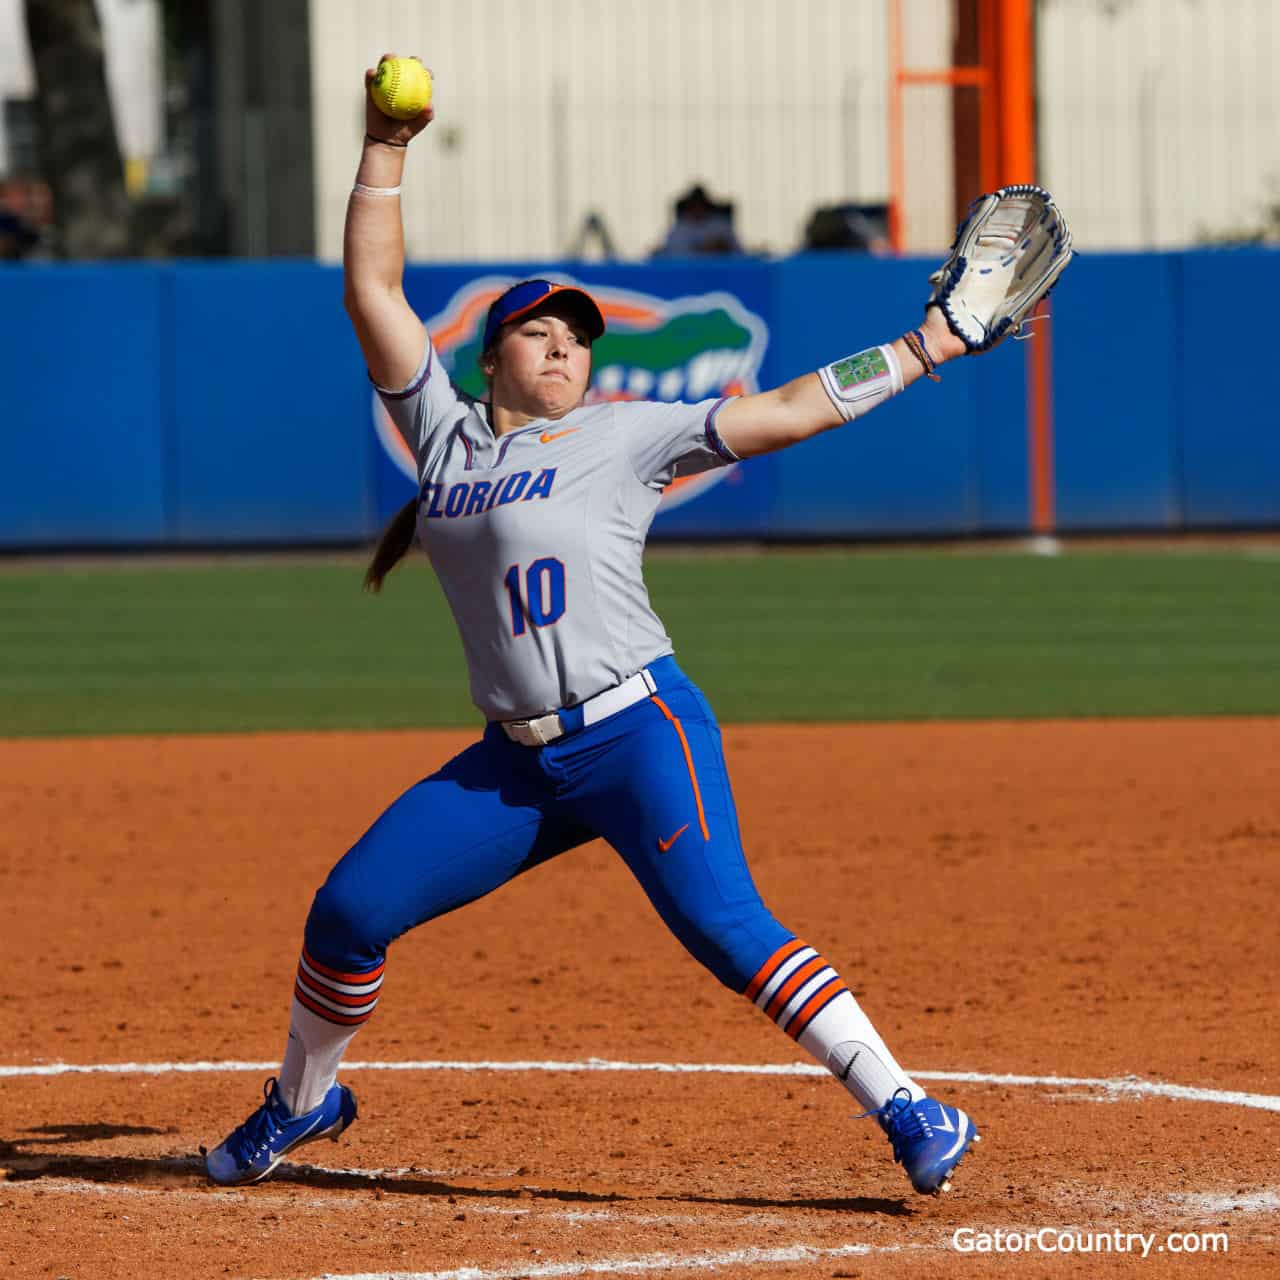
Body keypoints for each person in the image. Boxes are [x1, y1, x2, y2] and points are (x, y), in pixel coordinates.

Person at [204, 56, 1018, 1198]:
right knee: (347, 909)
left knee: (724, 926)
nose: (561, 348)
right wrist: (386, 143)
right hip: (514, 767)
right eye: (536, 333)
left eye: (576, 337)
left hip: (638, 732)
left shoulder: (625, 436)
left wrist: (921, 349)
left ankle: (909, 1106)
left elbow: (783, 410)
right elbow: (373, 294)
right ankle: (303, 1101)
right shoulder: (442, 441)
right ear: (488, 359)